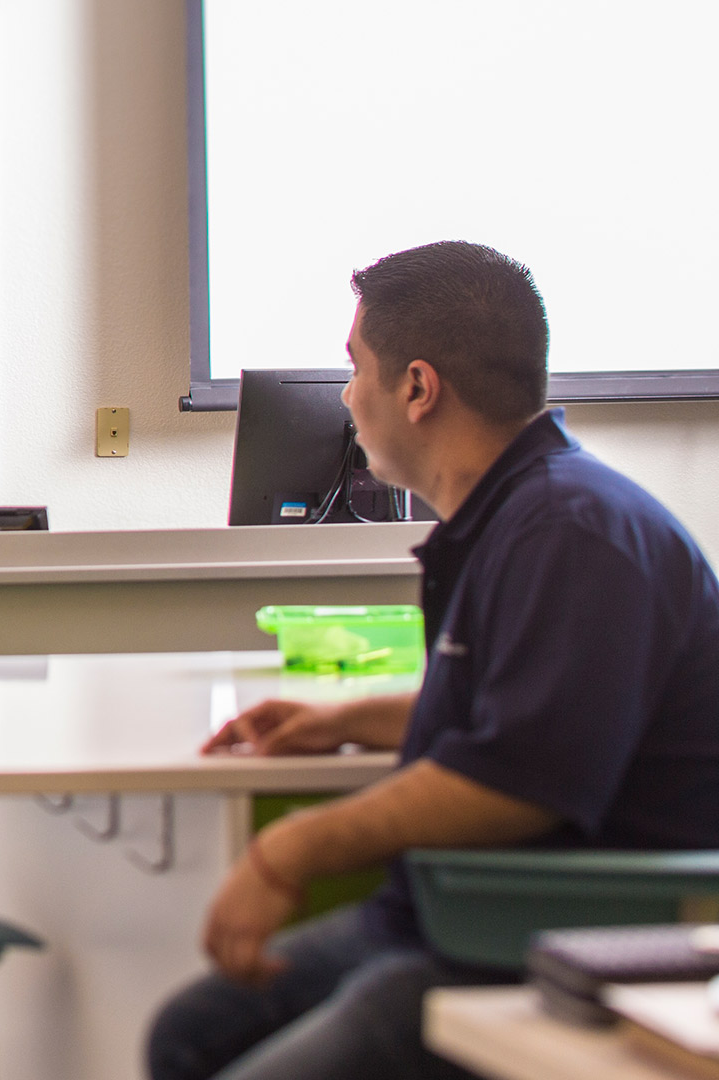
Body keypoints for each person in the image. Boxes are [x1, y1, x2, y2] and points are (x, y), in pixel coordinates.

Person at [146, 241, 719, 1080]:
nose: (346, 397)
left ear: (416, 387)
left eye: (354, 369)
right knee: (190, 1032)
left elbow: (519, 774)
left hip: (542, 936)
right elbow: (524, 709)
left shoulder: (571, 533)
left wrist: (289, 851)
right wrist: (345, 722)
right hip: (461, 910)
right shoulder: (513, 516)